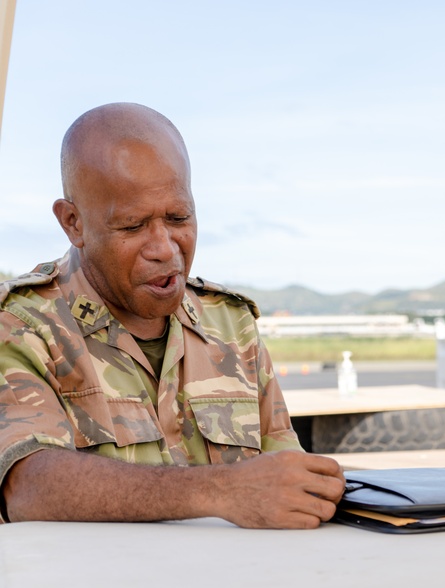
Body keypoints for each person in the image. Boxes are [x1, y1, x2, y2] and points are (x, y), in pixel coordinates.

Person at [0, 103, 346, 529]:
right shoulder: (22, 327)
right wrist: (222, 491)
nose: (164, 247)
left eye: (179, 217)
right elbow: (28, 486)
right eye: (132, 226)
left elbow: (286, 473)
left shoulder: (230, 324)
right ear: (73, 223)